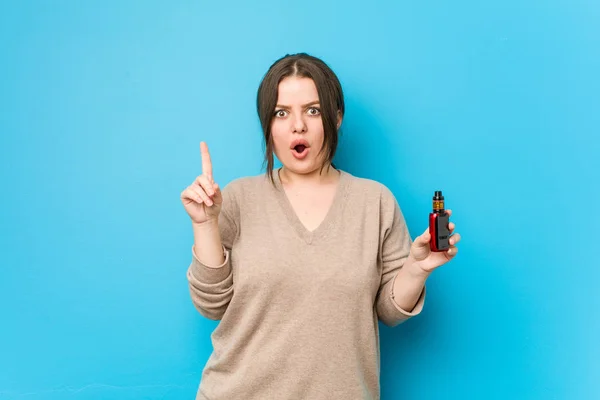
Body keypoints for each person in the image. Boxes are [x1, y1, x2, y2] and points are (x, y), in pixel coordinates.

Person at [181, 53, 461, 400]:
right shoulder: (238, 198)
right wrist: (205, 224)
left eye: (312, 110)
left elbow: (389, 311)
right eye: (281, 113)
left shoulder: (374, 202)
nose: (297, 125)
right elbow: (211, 306)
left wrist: (417, 268)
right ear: (268, 124)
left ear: (337, 117)